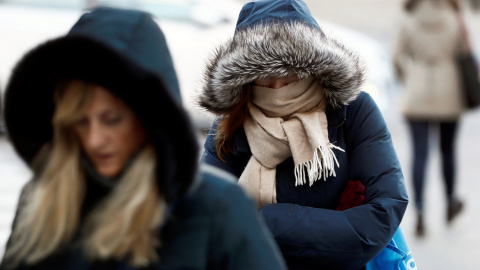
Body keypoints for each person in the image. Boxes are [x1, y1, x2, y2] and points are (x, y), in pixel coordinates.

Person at [0, 7, 287, 270]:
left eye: (112, 119)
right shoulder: (40, 200)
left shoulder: (214, 208)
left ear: (150, 117)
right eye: (80, 121)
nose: (95, 140)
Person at [199, 0, 409, 269]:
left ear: (311, 66)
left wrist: (269, 222)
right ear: (245, 78)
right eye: (263, 74)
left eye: (288, 72)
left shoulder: (353, 110)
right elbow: (204, 218)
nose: (277, 86)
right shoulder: (232, 123)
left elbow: (384, 211)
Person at [393, 0, 466, 237]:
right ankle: (450, 201)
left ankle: (420, 212)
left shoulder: (409, 17)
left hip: (417, 92)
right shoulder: (455, 16)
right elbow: (465, 52)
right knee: (448, 150)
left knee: (420, 154)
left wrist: (409, 80)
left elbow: (396, 57)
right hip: (450, 91)